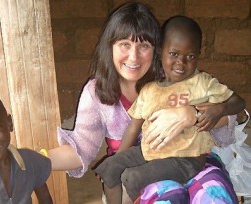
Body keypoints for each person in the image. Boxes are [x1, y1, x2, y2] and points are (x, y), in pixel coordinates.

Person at [48, 2, 245, 203]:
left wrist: (192, 115)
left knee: (213, 195)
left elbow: (233, 115)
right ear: (110, 47)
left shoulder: (176, 77)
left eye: (143, 46)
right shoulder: (100, 91)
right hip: (139, 163)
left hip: (191, 157)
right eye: (125, 44)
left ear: (156, 50)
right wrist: (38, 161)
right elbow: (81, 147)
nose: (133, 57)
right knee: (161, 194)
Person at [94, 15, 238, 203]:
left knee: (133, 176)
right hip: (151, 152)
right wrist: (118, 159)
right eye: (174, 54)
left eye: (190, 56)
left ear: (198, 55)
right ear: (161, 51)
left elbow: (238, 102)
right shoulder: (149, 90)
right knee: (109, 168)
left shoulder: (202, 83)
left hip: (187, 159)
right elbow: (133, 127)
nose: (181, 62)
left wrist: (220, 109)